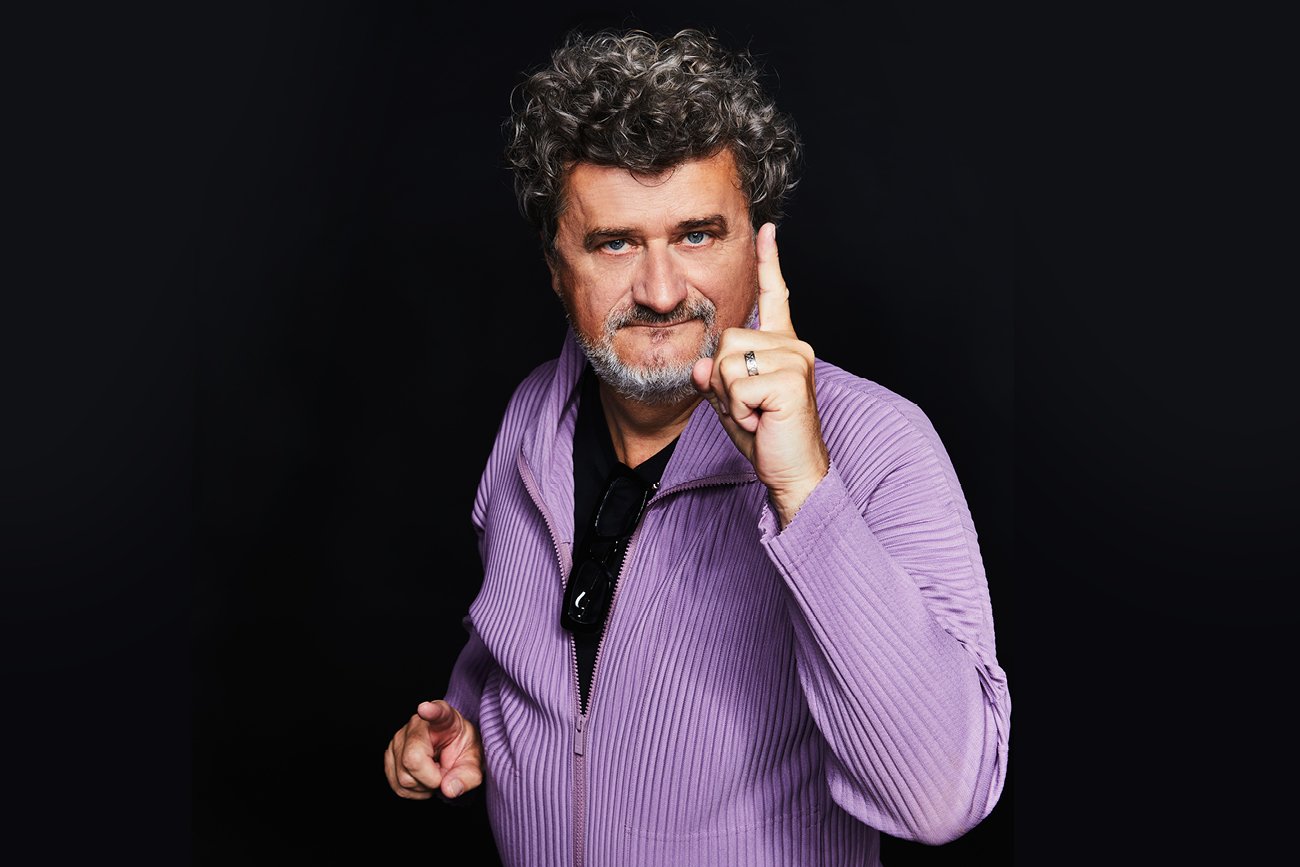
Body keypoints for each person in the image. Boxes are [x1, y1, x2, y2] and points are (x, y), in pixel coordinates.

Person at [384, 27, 1009, 865]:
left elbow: (938, 797)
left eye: (698, 235)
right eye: (615, 243)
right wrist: (474, 727)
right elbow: (526, 647)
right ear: (556, 265)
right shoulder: (533, 415)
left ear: (759, 242)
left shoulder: (880, 445)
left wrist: (803, 489)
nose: (660, 290)